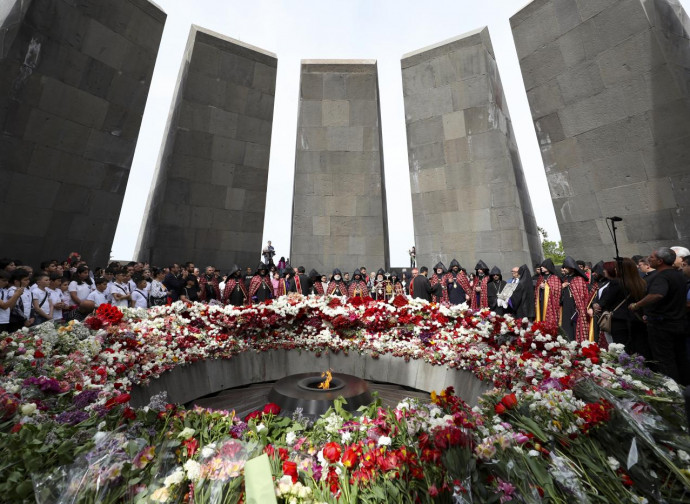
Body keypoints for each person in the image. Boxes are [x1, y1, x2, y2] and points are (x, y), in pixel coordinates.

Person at [629, 248, 689, 384]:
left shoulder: (661, 277)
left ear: (660, 261)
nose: (649, 260)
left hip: (663, 326)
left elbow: (657, 294)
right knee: (681, 358)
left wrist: (637, 305)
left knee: (665, 360)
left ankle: (674, 390)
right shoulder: (678, 275)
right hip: (679, 323)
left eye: (652, 257)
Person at [594, 259, 648, 357]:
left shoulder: (616, 283)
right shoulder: (641, 282)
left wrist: (598, 305)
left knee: (622, 351)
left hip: (619, 321)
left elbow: (607, 301)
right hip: (637, 319)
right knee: (639, 349)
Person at [560, 256, 590, 342]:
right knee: (567, 328)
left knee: (576, 326)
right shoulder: (564, 279)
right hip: (566, 306)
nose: (564, 269)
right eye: (563, 267)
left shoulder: (579, 279)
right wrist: (561, 287)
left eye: (566, 267)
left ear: (572, 268)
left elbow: (582, 296)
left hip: (576, 308)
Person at [535, 259, 562, 327]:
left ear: (548, 267)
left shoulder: (554, 278)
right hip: (541, 301)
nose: (541, 268)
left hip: (550, 303)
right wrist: (539, 288)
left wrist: (546, 287)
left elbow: (557, 290)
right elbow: (536, 289)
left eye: (543, 266)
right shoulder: (541, 277)